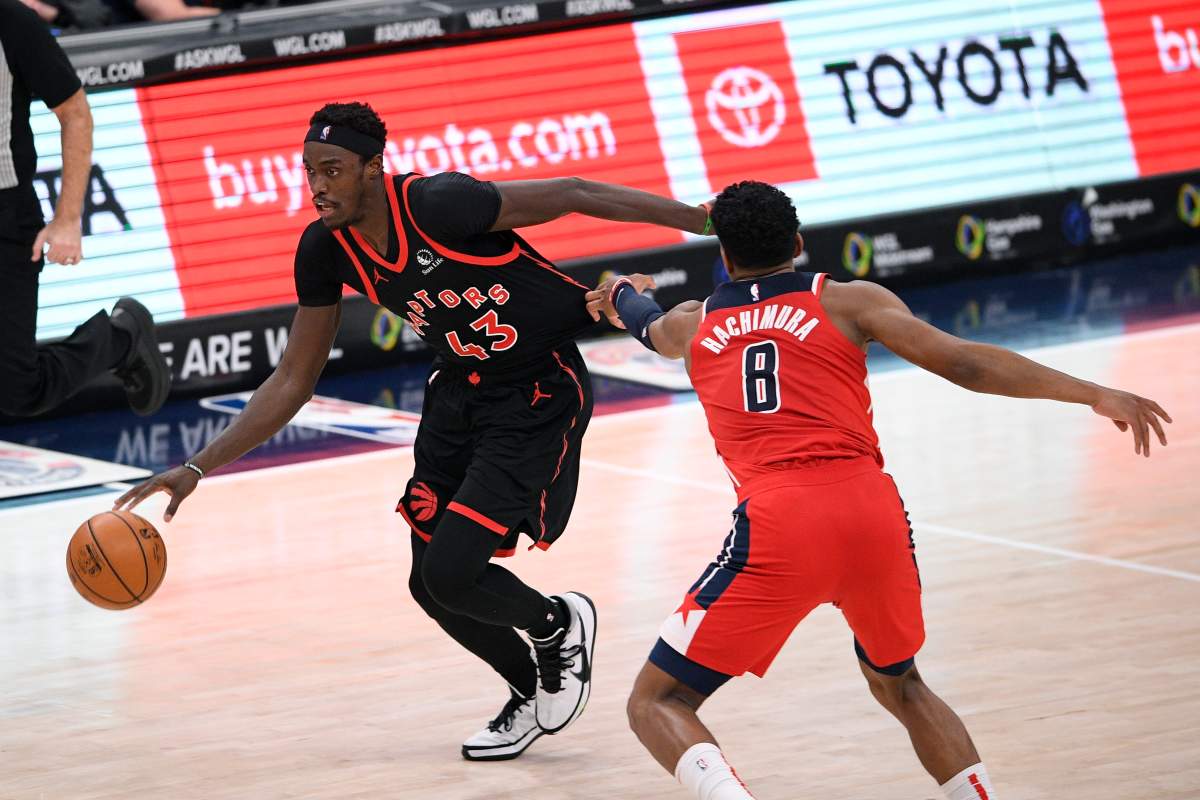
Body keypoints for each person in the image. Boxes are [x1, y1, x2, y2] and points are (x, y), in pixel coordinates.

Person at [114, 101, 707, 761]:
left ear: (374, 167)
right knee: (430, 582)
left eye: (333, 170)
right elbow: (292, 380)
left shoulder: (440, 205)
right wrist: (197, 466)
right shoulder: (323, 248)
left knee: (456, 571)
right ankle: (528, 691)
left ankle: (556, 624)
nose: (318, 186)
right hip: (458, 394)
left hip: (536, 391)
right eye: (309, 171)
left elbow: (574, 193)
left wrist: (699, 219)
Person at [586, 180, 1172, 800]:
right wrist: (1093, 393)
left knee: (658, 701)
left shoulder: (694, 323)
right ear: (799, 243)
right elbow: (964, 363)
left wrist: (623, 292)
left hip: (779, 522)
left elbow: (647, 327)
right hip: (871, 509)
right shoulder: (849, 301)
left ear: (723, 256)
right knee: (902, 684)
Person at [0, 0, 170, 418]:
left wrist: (67, 218)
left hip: (5, 215)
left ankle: (121, 338)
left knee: (17, 391)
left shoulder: (11, 21)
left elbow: (75, 113)